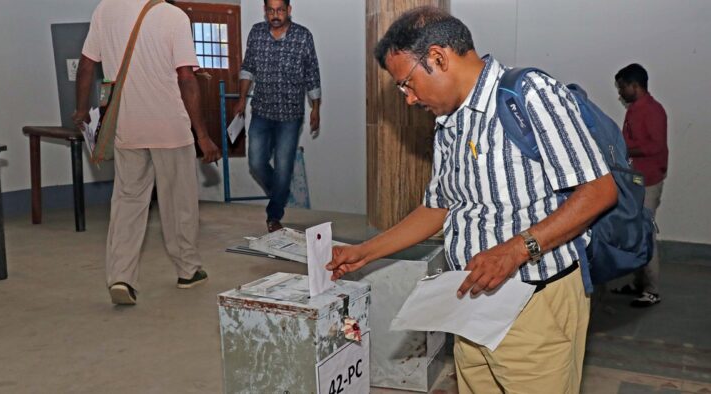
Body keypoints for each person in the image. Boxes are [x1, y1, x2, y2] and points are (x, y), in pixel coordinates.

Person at [326, 7, 618, 393]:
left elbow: (599, 191)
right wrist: (366, 251)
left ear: (438, 58)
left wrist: (515, 250)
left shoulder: (530, 96)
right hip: (472, 300)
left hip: (534, 302)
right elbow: (440, 206)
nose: (409, 99)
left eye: (407, 84)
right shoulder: (449, 122)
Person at [73, 0, 221, 305]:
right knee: (178, 202)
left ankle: (121, 277)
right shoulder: (172, 16)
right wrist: (203, 135)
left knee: (127, 202)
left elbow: (87, 64)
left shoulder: (105, 10)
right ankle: (187, 270)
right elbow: (186, 77)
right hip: (170, 129)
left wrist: (79, 110)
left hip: (127, 127)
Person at [233, 0, 321, 233]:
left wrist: (316, 108)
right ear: (265, 11)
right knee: (255, 162)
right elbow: (247, 67)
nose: (275, 15)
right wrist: (242, 98)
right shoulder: (256, 33)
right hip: (261, 111)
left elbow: (312, 73)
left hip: (290, 116)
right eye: (271, 10)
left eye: (280, 10)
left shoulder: (303, 36)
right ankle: (280, 193)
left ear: (288, 10)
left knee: (283, 167)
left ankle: (274, 215)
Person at [612, 63, 668, 307]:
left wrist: (623, 149)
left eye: (623, 87)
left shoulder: (652, 111)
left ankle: (652, 290)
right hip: (636, 181)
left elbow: (654, 146)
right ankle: (639, 284)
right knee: (634, 232)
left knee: (645, 233)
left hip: (648, 182)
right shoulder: (635, 109)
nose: (620, 93)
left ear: (635, 86)